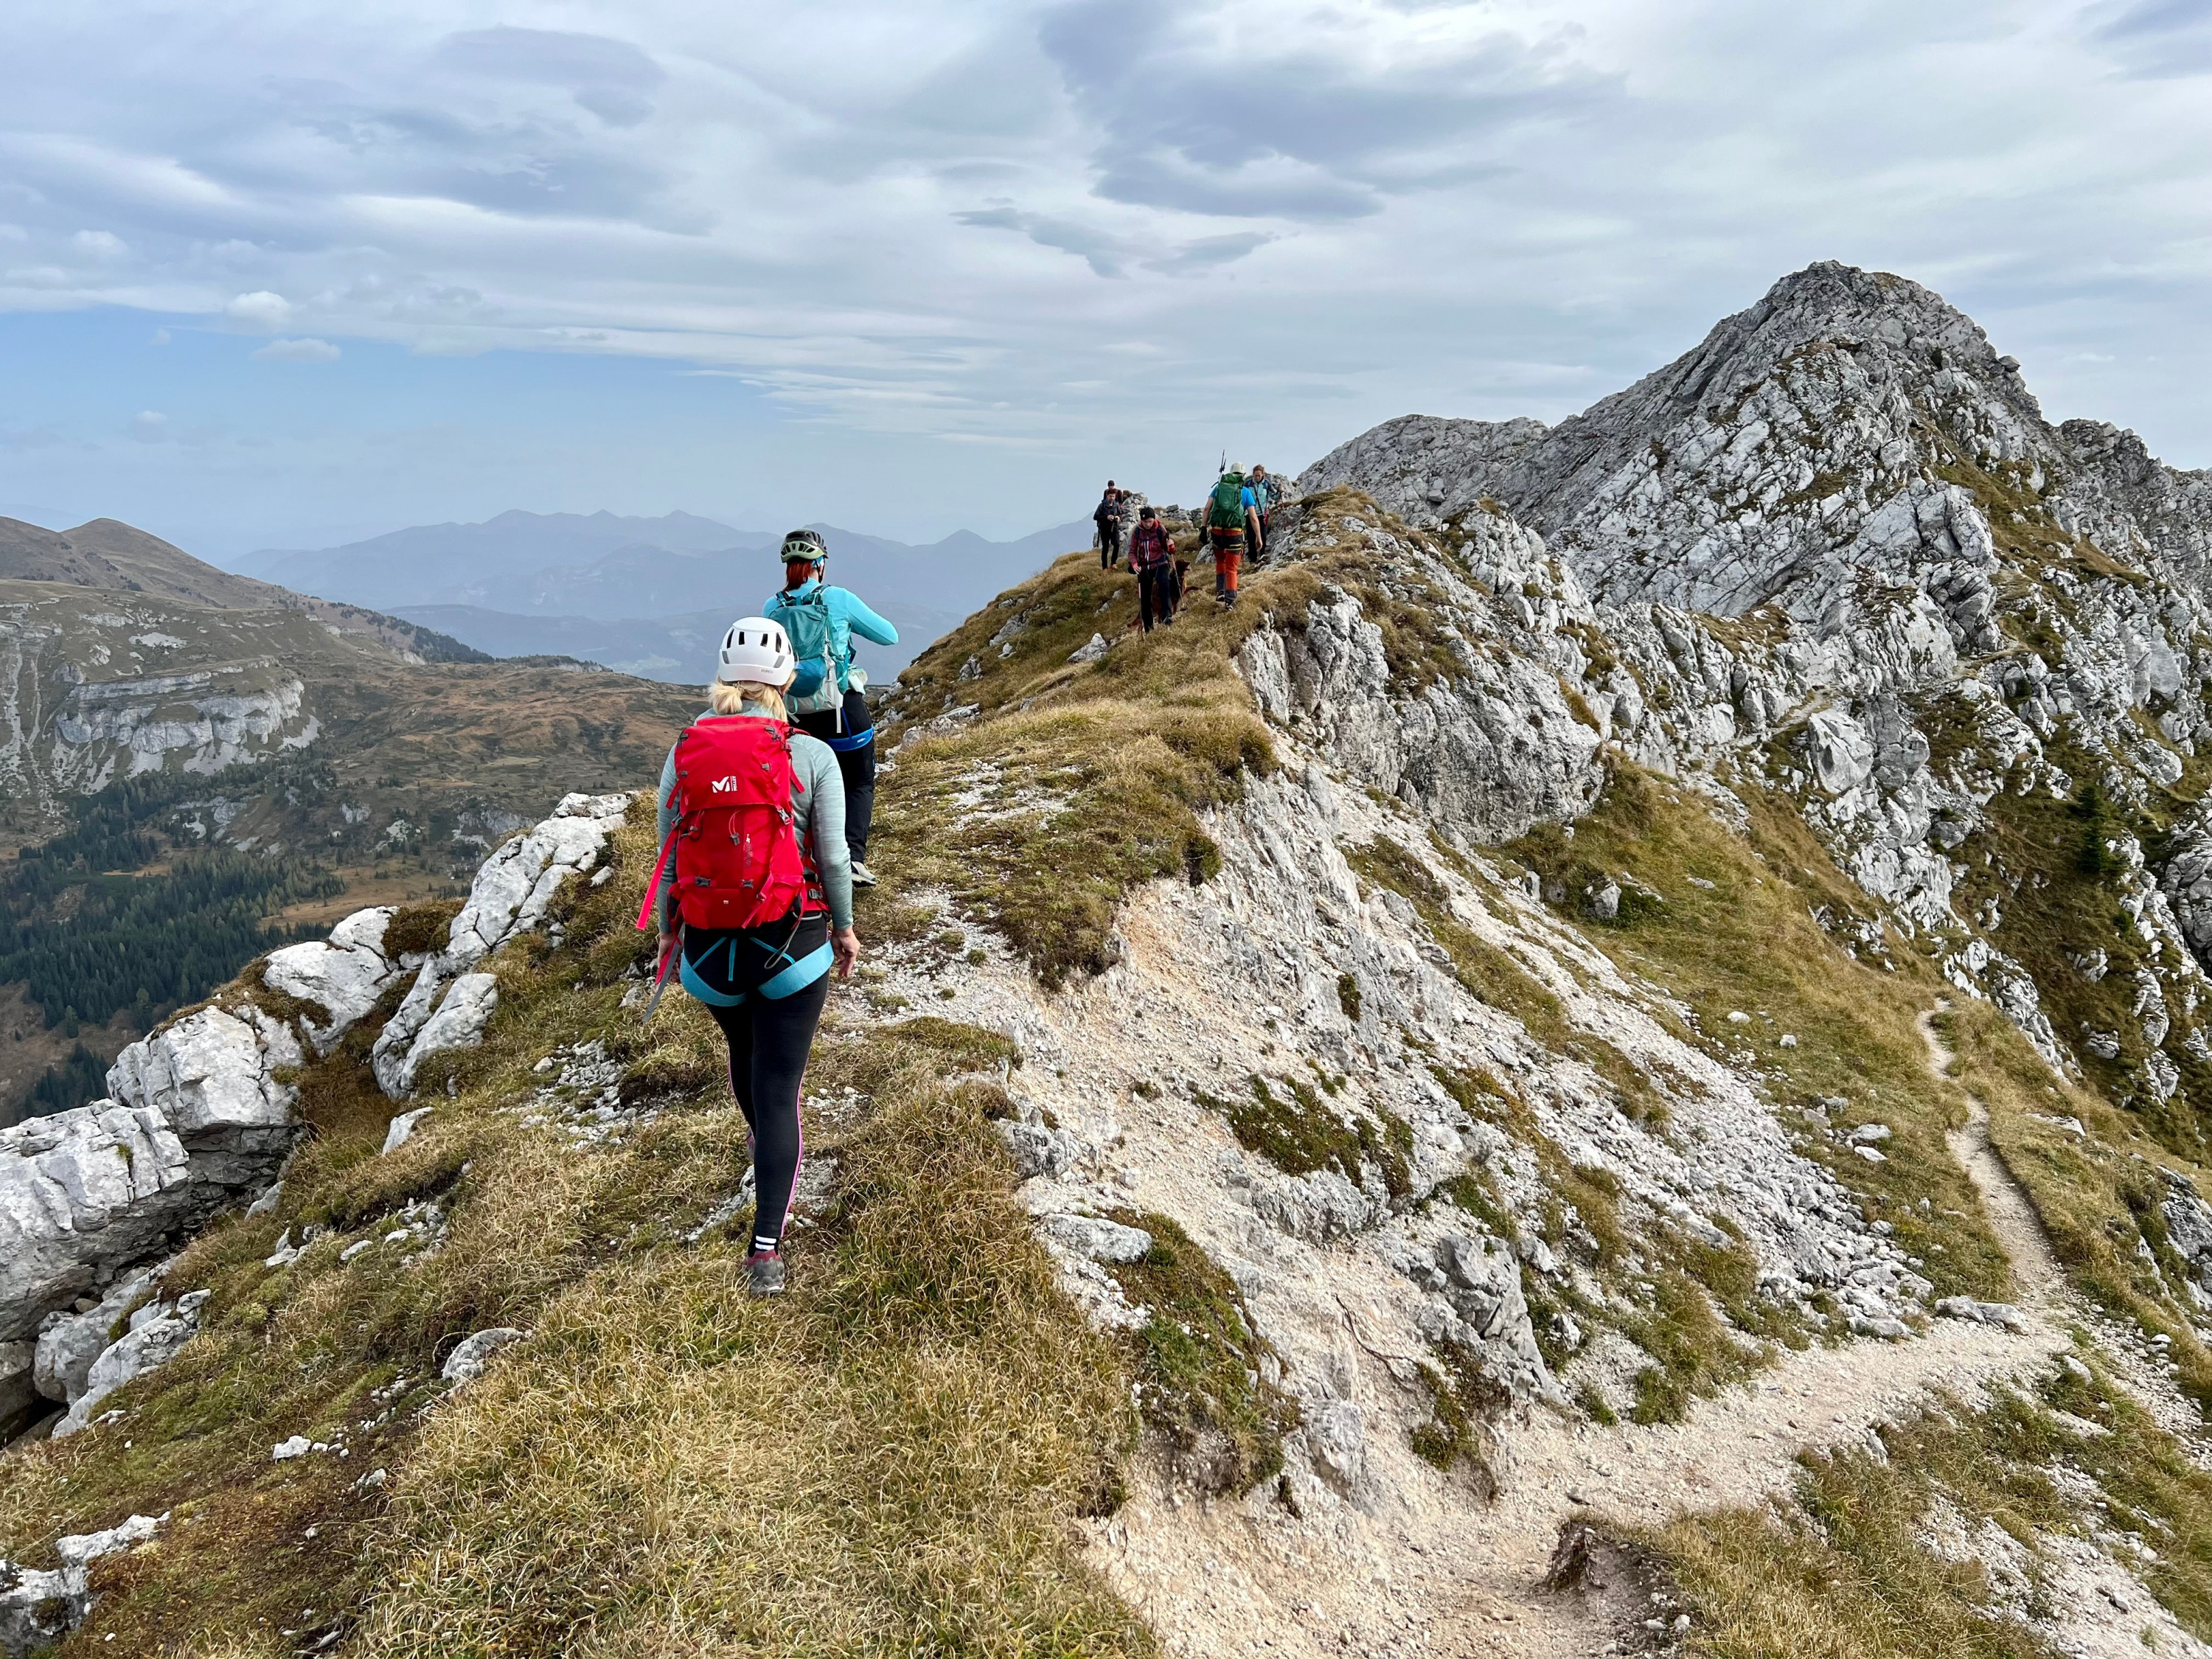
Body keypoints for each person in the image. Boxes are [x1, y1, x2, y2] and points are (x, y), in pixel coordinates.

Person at [648, 616, 860, 1296]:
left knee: (746, 1054)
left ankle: (764, 1143)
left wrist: (667, 932)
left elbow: (669, 848)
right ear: (787, 679)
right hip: (792, 947)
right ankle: (765, 1252)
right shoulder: (811, 756)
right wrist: (847, 931)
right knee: (781, 1089)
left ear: (722, 677)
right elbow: (833, 857)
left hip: (711, 953)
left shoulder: (686, 751)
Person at [765, 529, 897, 888]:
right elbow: (889, 635)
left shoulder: (771, 608)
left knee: (807, 789)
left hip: (794, 717)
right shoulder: (836, 598)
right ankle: (852, 860)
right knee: (858, 782)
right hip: (842, 711)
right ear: (820, 564)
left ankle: (803, 864)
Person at [1205, 466, 1254, 608]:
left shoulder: (1219, 488)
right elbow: (1253, 517)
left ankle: (1220, 591)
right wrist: (1258, 537)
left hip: (1217, 532)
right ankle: (1230, 600)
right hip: (1235, 533)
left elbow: (1207, 508)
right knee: (1232, 568)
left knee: (1221, 561)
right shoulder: (1245, 492)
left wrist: (1203, 528)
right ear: (1243, 476)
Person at [1127, 504, 1176, 632]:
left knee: (1164, 590)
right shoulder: (1137, 531)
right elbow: (1132, 551)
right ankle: (1149, 627)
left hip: (1161, 564)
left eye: (1150, 521)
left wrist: (1171, 546)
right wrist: (1134, 564)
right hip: (1144, 567)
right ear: (1141, 521)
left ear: (1154, 519)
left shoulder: (1160, 529)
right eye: (1145, 522)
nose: (1148, 524)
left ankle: (1167, 618)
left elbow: (1169, 549)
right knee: (1145, 598)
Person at [1248, 465, 1276, 566]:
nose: (1257, 477)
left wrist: (1280, 493)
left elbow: (1274, 496)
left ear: (1263, 474)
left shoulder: (1267, 484)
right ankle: (1252, 559)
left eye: (1259, 475)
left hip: (1262, 514)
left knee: (1263, 536)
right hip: (1250, 514)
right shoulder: (1248, 484)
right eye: (1255, 475)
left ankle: (1262, 556)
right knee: (1251, 537)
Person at [1094, 481, 1127, 569]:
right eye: (1110, 496)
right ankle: (1105, 567)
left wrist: (1118, 518)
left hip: (1114, 527)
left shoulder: (1116, 505)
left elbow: (1120, 514)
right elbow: (1095, 517)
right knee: (1105, 547)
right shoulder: (1102, 506)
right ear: (1107, 496)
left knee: (1116, 544)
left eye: (1113, 496)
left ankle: (1113, 563)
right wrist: (1106, 517)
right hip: (1104, 528)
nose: (1112, 498)